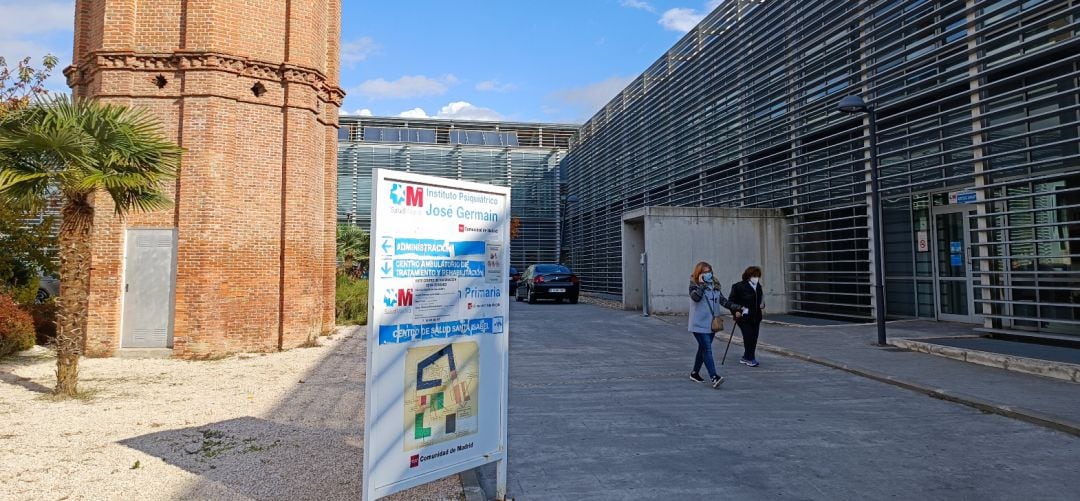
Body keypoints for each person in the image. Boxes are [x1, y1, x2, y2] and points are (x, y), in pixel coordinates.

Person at [688, 261, 743, 388]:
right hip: (698, 324)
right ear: (699, 273)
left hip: (712, 324)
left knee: (702, 349)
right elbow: (696, 298)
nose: (709, 274)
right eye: (705, 272)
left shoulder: (715, 285)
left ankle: (694, 373)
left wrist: (737, 307)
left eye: (710, 271)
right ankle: (714, 377)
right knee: (707, 349)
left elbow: (723, 301)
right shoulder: (694, 285)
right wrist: (701, 285)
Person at [729, 266, 765, 367]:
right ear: (748, 276)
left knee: (754, 337)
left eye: (758, 276)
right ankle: (750, 358)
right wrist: (735, 311)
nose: (756, 278)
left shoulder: (758, 286)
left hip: (756, 316)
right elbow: (731, 301)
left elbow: (761, 299)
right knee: (748, 336)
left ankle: (746, 357)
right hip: (743, 316)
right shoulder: (738, 286)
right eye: (754, 276)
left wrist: (762, 304)